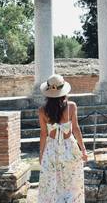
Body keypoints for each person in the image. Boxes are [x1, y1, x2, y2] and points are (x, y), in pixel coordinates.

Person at [37, 74, 88, 203]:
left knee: (52, 182)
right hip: (69, 147)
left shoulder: (42, 111)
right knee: (72, 182)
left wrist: (41, 153)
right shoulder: (71, 106)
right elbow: (76, 129)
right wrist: (83, 149)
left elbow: (43, 134)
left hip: (51, 148)